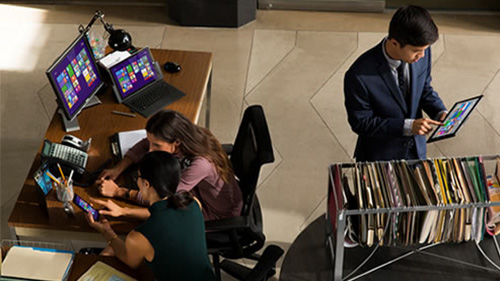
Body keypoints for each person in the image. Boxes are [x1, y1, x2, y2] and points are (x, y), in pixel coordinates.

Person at [86, 151, 216, 281]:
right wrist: (123, 210)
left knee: (106, 254)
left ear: (146, 184)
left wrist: (106, 231)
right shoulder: (194, 204)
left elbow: (130, 261)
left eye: (138, 177)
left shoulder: (140, 236)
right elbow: (168, 216)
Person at [96, 109, 243, 221]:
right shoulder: (190, 137)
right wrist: (118, 169)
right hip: (197, 191)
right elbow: (144, 144)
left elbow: (163, 199)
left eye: (156, 146)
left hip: (214, 214)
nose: (150, 150)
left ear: (177, 143)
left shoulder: (200, 164)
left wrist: (119, 192)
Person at [344, 5, 447, 162]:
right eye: (416, 51)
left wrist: (440, 112)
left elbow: (424, 88)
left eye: (425, 49)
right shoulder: (359, 75)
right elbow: (361, 123)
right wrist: (407, 126)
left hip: (417, 154)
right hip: (380, 159)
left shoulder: (421, 52)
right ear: (394, 43)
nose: (422, 55)